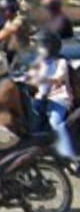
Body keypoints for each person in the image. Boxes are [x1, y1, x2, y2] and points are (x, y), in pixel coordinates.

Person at [26, 30, 77, 170]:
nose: (37, 48)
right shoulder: (38, 62)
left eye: (41, 45)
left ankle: (71, 158)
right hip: (42, 98)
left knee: (56, 123)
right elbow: (28, 76)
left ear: (50, 46)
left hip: (60, 98)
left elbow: (58, 79)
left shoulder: (61, 61)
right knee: (30, 120)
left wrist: (43, 79)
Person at [0, 0, 32, 66]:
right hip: (9, 54)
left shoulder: (20, 20)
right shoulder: (7, 21)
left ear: (13, 8)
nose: (2, 12)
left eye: (4, 10)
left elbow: (6, 32)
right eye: (1, 10)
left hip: (21, 56)